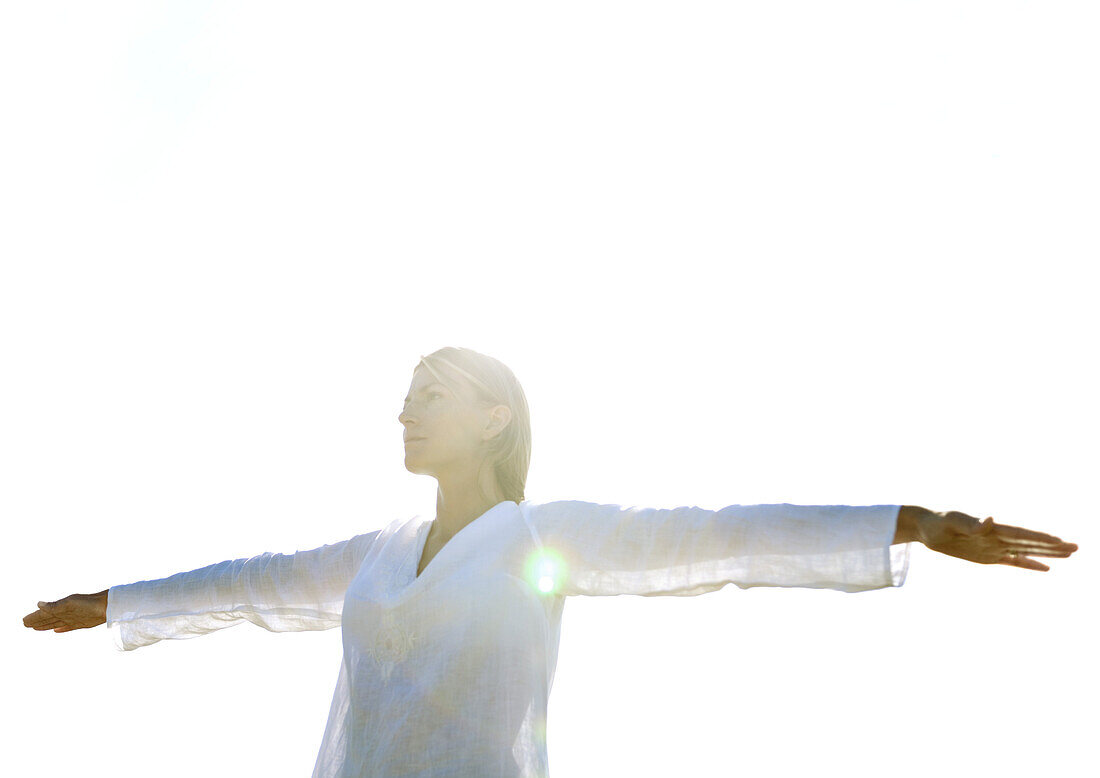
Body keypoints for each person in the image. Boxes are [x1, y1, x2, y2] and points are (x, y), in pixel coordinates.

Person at [23, 346, 1078, 778]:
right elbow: (245, 585)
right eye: (404, 394)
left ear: (494, 418)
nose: (406, 406)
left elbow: (715, 535)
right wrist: (111, 600)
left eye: (430, 391)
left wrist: (906, 518)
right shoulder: (374, 554)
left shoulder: (541, 539)